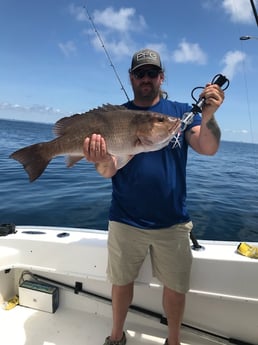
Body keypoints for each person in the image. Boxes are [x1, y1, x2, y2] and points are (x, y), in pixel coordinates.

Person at [83, 48, 225, 345]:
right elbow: (108, 171)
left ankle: (173, 341)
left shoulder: (180, 113)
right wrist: (99, 158)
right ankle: (116, 336)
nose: (145, 79)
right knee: (121, 284)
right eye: (139, 73)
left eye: (151, 73)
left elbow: (208, 147)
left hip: (172, 222)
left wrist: (208, 116)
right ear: (131, 78)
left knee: (175, 288)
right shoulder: (115, 118)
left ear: (161, 77)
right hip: (124, 219)